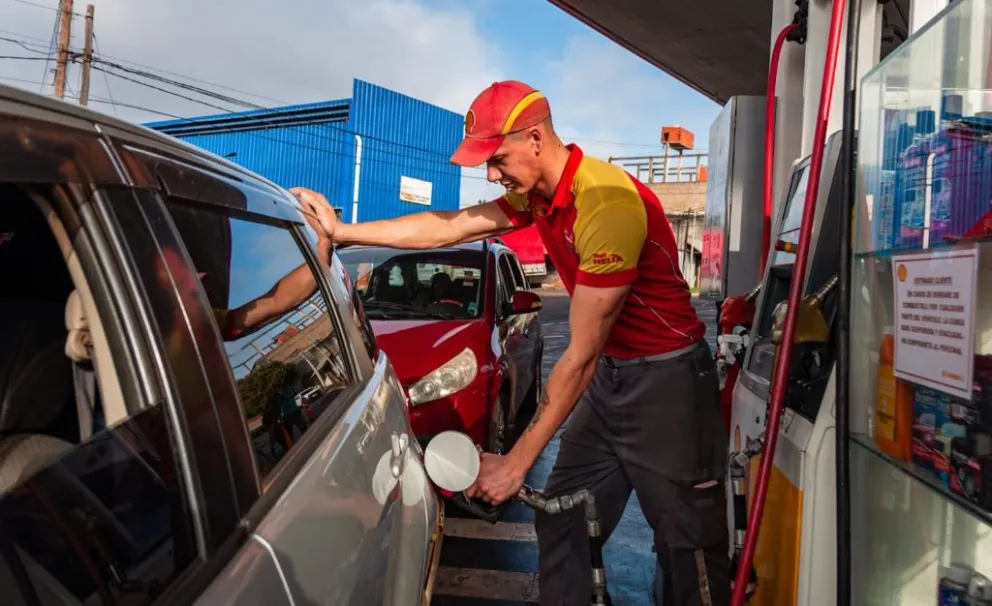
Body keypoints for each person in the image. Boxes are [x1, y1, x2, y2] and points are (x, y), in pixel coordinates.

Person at [290, 80, 730, 606]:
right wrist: (344, 232)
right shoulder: (536, 198)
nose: (492, 174)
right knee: (563, 516)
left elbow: (581, 353)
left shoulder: (606, 202)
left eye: (497, 158)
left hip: (669, 383)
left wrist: (515, 462)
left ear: (536, 140)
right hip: (613, 377)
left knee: (688, 547)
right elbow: (446, 226)